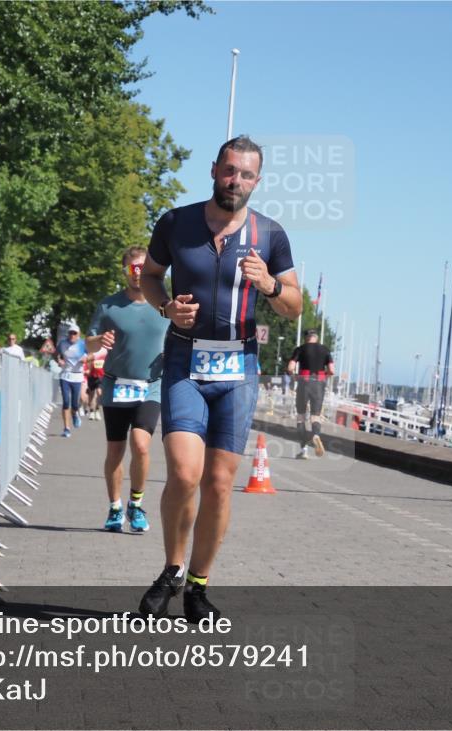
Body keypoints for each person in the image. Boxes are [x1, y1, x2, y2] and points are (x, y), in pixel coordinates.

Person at [138, 136, 301, 622]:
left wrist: (270, 284)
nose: (236, 182)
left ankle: (198, 585)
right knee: (185, 474)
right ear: (214, 170)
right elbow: (149, 276)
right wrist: (166, 306)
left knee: (219, 483)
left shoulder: (270, 235)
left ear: (258, 180)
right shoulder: (176, 222)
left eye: (246, 175)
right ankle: (171, 568)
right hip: (185, 362)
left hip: (239, 368)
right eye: (230, 171)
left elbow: (294, 305)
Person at [87, 246, 169, 534]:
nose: (138, 274)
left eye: (143, 268)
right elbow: (89, 344)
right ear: (125, 271)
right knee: (115, 450)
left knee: (142, 444)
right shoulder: (109, 306)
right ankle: (114, 508)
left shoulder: (164, 305)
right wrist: (100, 339)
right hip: (116, 385)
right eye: (133, 268)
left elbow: (181, 337)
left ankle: (136, 504)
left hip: (151, 386)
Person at [287, 330, 335, 459]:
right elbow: (331, 370)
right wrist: (323, 376)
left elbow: (290, 367)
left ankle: (304, 450)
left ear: (306, 338)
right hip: (319, 384)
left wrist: (295, 377)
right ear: (316, 338)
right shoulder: (325, 350)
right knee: (315, 416)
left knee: (301, 416)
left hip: (304, 382)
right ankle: (316, 435)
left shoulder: (300, 349)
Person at [56, 323, 86, 437]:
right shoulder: (63, 343)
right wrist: (59, 360)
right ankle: (66, 428)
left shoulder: (83, 344)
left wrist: (86, 358)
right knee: (66, 402)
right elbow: (56, 354)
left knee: (74, 404)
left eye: (74, 333)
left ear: (78, 335)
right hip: (65, 375)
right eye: (70, 333)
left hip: (77, 375)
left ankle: (74, 414)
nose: (72, 335)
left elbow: (92, 355)